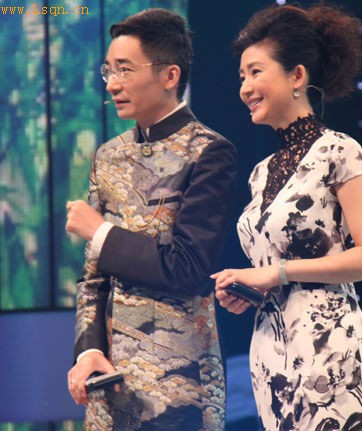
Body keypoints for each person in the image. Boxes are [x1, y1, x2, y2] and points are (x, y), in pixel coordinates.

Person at [212, 3, 362, 430]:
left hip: (329, 353)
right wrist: (248, 289)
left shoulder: (339, 151)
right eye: (241, 77)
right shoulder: (260, 174)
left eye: (255, 72)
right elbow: (271, 271)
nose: (245, 87)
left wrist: (276, 273)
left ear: (296, 76)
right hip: (270, 358)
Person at [65, 8, 236, 430]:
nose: (112, 83)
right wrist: (88, 350)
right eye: (108, 70)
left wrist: (100, 231)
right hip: (108, 381)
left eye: (125, 69)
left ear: (170, 75)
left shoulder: (208, 151)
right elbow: (92, 277)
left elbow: (190, 268)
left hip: (179, 384)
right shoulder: (108, 156)